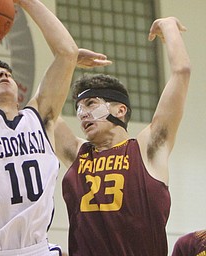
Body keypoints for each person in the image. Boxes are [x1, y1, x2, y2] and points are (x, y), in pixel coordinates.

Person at [0, 0, 111, 255]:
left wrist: (26, 1)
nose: (3, 75)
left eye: (8, 75)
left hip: (40, 249)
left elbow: (67, 51)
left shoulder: (40, 118)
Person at [54, 16, 191, 256]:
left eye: (91, 103)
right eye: (79, 108)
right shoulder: (78, 153)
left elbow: (182, 72)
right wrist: (66, 60)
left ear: (120, 110)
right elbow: (43, 110)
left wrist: (168, 28)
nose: (82, 114)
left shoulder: (147, 149)